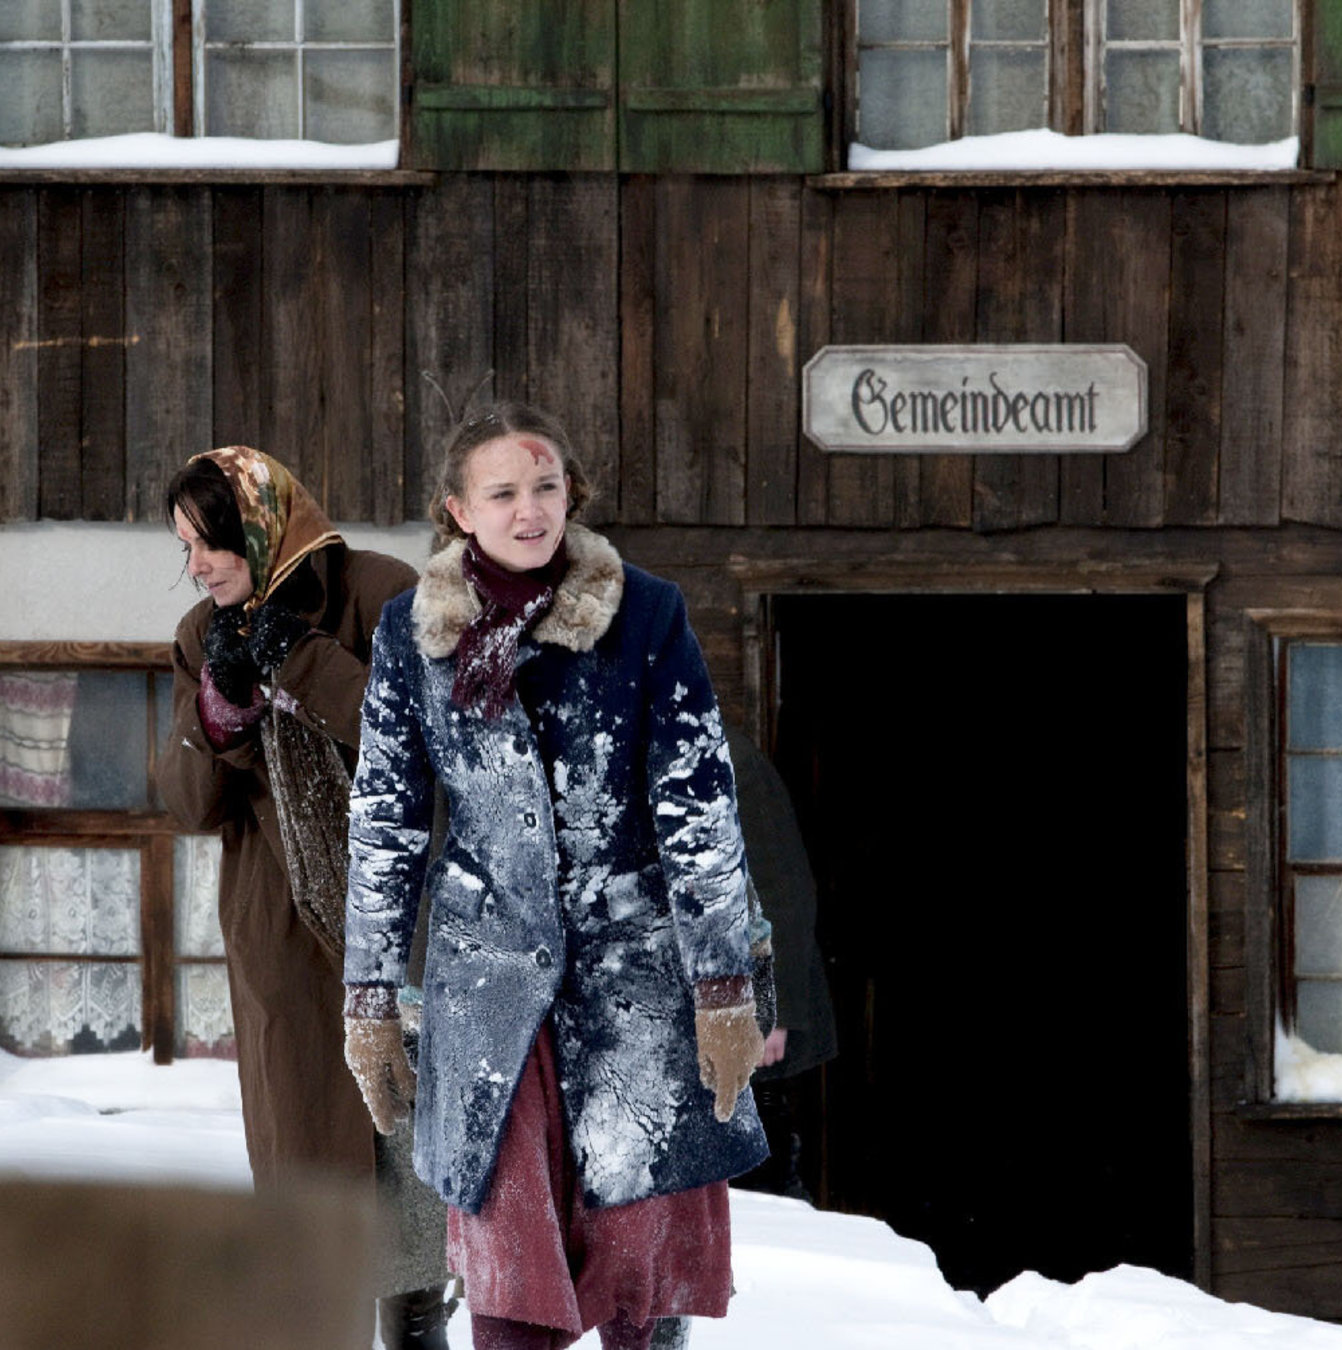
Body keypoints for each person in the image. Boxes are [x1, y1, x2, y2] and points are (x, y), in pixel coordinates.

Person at [340, 403, 769, 1350]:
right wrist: (368, 998)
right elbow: (384, 821)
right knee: (509, 1276)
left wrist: (724, 983)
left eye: (546, 486)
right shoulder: (414, 634)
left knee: (639, 1273)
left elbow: (698, 806)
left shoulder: (646, 615)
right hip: (488, 994)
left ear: (571, 492)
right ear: (458, 510)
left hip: (634, 987)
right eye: (503, 492)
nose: (530, 510)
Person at [155, 446, 452, 1350]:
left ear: (262, 521)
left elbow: (427, 750)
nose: (199, 565)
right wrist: (222, 716)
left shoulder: (381, 591)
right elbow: (186, 803)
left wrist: (307, 663)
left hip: (398, 938)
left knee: (410, 1218)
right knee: (308, 1214)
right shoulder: (202, 635)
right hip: (281, 944)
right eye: (184, 549)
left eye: (209, 541)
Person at [722, 725, 837, 1203]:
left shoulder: (734, 760)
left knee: (763, 1170)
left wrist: (773, 1010)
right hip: (712, 1008)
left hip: (753, 1009)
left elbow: (782, 892)